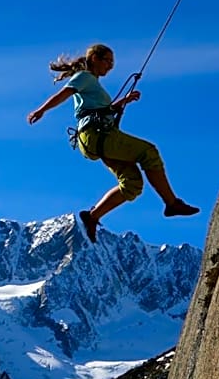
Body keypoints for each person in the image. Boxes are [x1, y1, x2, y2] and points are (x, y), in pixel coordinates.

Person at [27, 43, 199, 243]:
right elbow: (63, 95)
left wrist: (122, 102)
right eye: (107, 61)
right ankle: (172, 203)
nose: (110, 66)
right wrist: (41, 110)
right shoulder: (84, 77)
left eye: (112, 62)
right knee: (148, 152)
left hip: (95, 138)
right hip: (98, 134)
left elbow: (97, 109)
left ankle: (92, 216)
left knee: (132, 184)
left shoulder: (91, 84)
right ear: (94, 59)